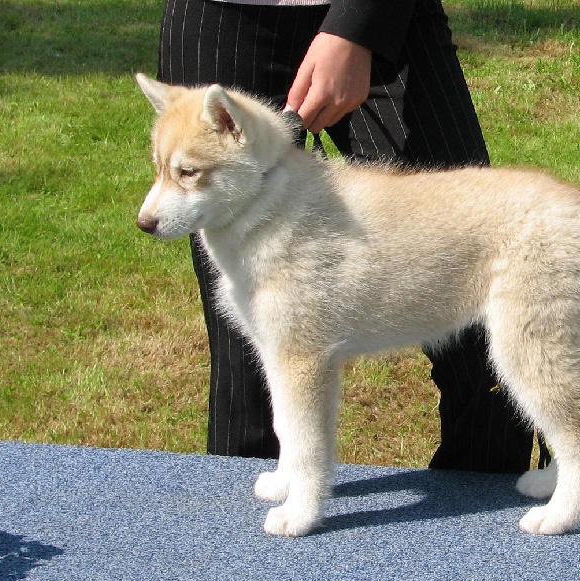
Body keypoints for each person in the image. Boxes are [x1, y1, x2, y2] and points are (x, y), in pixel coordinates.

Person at [155, 0, 541, 473]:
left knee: (485, 296)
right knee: (252, 350)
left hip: (386, 19)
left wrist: (355, 25)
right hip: (224, 17)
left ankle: (493, 512)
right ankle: (256, 524)